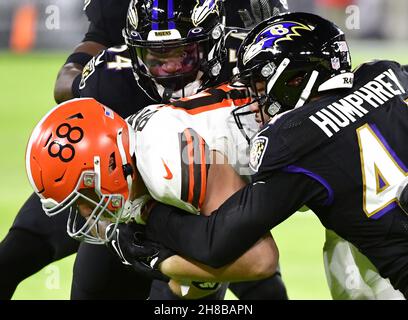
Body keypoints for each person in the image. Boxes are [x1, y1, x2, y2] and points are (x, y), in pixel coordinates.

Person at [7, 0, 289, 300]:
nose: (168, 68)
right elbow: (68, 88)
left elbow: (259, 259)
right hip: (127, 183)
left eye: (183, 55)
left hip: (208, 204)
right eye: (155, 56)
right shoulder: (112, 76)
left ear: (214, 43)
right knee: (34, 257)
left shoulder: (251, 62)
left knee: (252, 284)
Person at [128, 12, 408, 299]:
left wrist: (150, 216)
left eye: (259, 88)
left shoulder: (296, 140)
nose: (256, 102)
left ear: (295, 78)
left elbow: (216, 242)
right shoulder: (390, 74)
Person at [25, 91, 279, 299]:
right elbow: (197, 284)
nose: (85, 212)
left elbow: (261, 260)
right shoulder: (136, 163)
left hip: (305, 144)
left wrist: (162, 263)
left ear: (109, 166)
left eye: (83, 197)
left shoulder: (164, 161)